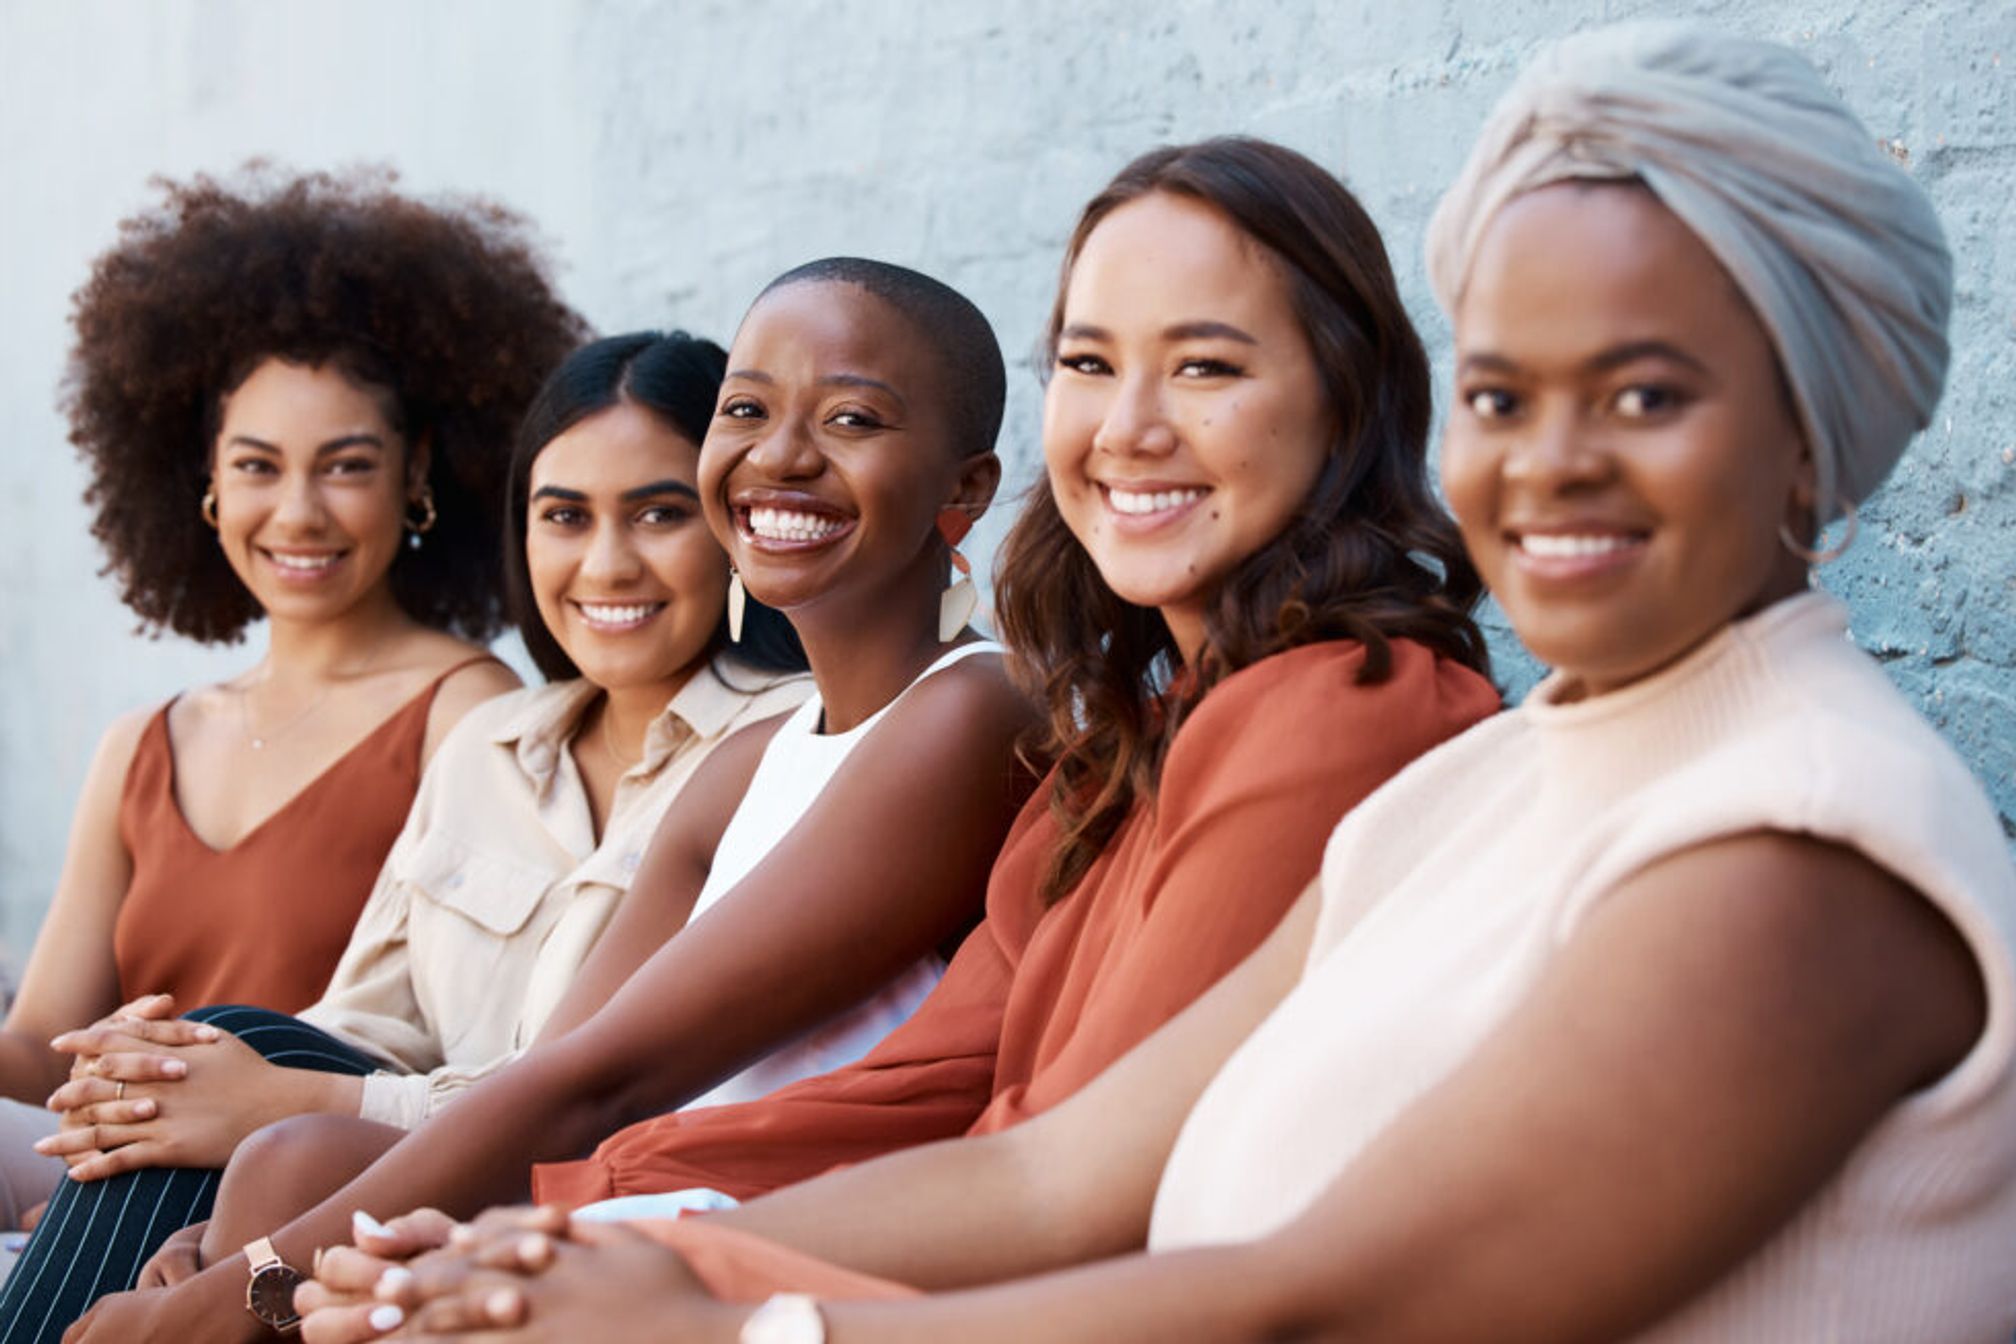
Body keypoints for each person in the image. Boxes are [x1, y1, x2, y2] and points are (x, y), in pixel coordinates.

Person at [324, 26, 2016, 1344]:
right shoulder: (1491, 780)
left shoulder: (1799, 840)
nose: (1548, 462)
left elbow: (1328, 1296)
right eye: (1503, 394)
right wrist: (561, 1251)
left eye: (1642, 396)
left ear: (1809, 429)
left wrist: (734, 1317)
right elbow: (1055, 1162)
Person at [301, 132, 1505, 1341]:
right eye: (1089, 364)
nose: (1129, 427)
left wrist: (624, 1253)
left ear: (1346, 397)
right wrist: (568, 1232)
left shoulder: (1342, 704)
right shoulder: (1125, 744)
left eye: (1203, 368)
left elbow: (1084, 1193)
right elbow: (918, 1099)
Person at [48, 258, 1044, 1344]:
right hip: (616, 1190)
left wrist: (236, 1287)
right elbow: (542, 1078)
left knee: (273, 1194)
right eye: (748, 410)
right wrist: (233, 1260)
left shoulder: (967, 710)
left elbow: (602, 1082)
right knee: (289, 1161)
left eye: (851, 418)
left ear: (966, 491)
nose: (782, 455)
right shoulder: (754, 757)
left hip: (741, 1228)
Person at [0, 332, 812, 1330]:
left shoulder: (785, 748)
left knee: (270, 1125)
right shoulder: (493, 744)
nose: (606, 563)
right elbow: (362, 1025)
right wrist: (178, 1072)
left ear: (732, 526)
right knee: (216, 1053)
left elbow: (605, 1094)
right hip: (371, 1165)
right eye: (564, 517)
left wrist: (268, 1109)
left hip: (572, 1186)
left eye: (659, 514)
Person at [0, 166, 580, 1230]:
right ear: (208, 484)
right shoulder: (145, 745)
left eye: (345, 467)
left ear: (418, 479)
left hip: (306, 1182)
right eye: (260, 466)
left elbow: (486, 1039)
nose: (298, 512)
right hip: (114, 1156)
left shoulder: (471, 714)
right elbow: (39, 1047)